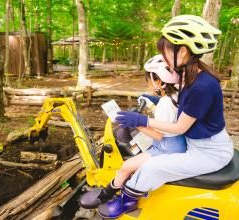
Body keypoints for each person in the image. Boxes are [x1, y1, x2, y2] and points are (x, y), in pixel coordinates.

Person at [96, 15, 234, 219]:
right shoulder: (191, 76)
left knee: (154, 167)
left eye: (166, 51)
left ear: (183, 51)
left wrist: (141, 121)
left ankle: (126, 200)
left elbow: (180, 128)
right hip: (202, 143)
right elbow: (178, 99)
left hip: (209, 152)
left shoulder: (202, 85)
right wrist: (154, 98)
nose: (164, 57)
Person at [79, 54, 187, 212]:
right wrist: (151, 105)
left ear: (159, 81)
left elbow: (159, 135)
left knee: (127, 166)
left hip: (166, 149)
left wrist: (137, 123)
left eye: (149, 81)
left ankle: (109, 196)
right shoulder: (174, 97)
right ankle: (115, 191)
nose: (148, 84)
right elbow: (166, 121)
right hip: (175, 145)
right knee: (132, 163)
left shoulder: (165, 104)